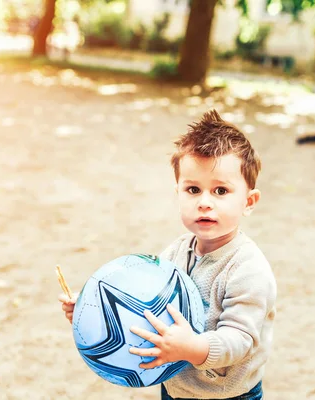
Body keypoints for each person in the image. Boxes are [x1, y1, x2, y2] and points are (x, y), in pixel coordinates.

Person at [59, 109, 277, 400]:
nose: (204, 203)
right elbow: (143, 308)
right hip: (174, 388)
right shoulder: (174, 253)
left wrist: (193, 348)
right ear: (178, 192)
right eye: (193, 189)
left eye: (221, 191)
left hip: (227, 395)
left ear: (249, 201)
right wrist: (93, 310)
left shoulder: (248, 270)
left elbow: (241, 340)